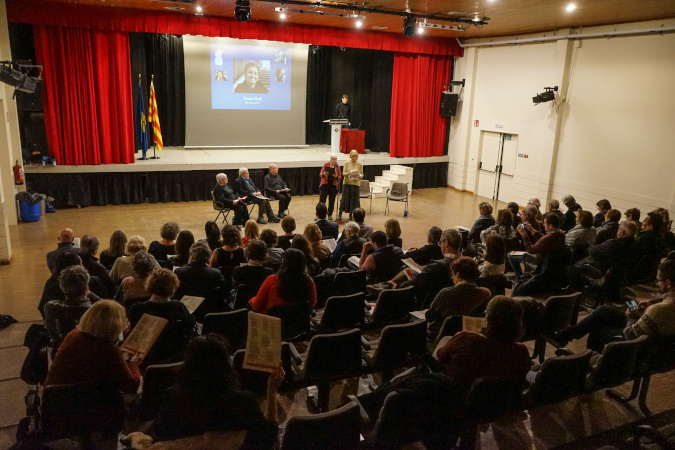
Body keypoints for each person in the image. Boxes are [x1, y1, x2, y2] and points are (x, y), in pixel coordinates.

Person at [356, 298, 530, 449]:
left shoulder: (468, 339)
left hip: (443, 396)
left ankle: (357, 414)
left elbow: (440, 357)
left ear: (489, 318)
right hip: (484, 408)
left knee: (396, 389)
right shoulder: (521, 352)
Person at [152, 334, 282, 446]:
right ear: (226, 365)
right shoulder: (243, 402)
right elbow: (269, 437)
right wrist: (271, 390)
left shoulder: (172, 399)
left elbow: (161, 436)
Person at [552, 260, 675, 352]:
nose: (657, 284)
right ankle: (565, 335)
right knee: (604, 311)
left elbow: (630, 335)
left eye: (659, 280)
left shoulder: (659, 310)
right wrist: (651, 304)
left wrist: (631, 315)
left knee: (598, 329)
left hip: (642, 346)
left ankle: (591, 365)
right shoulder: (662, 305)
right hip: (656, 337)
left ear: (668, 282)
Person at [45, 300, 142, 395]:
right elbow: (131, 387)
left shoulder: (73, 335)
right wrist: (134, 363)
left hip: (55, 400)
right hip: (89, 405)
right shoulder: (109, 349)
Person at [128, 269, 198, 349]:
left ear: (149, 284)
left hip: (145, 353)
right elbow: (190, 324)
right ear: (173, 287)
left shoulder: (136, 308)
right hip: (173, 352)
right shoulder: (179, 307)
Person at [425, 257, 491, 336]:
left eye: (453, 273)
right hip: (469, 335)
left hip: (441, 335)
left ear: (458, 274)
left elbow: (430, 315)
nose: (452, 277)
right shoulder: (485, 293)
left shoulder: (446, 293)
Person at [567, 221, 638, 292]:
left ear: (622, 232)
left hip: (602, 271)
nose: (618, 230)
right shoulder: (635, 245)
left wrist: (591, 247)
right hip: (618, 276)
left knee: (572, 268)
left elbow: (593, 251)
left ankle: (575, 292)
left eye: (619, 229)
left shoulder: (613, 244)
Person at [511, 212, 567, 296]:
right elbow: (544, 239)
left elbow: (530, 249)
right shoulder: (561, 234)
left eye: (545, 223)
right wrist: (532, 231)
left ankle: (518, 277)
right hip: (554, 268)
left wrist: (524, 234)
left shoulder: (548, 238)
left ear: (550, 225)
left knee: (510, 255)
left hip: (542, 266)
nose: (544, 225)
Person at [249, 248, 317, 314]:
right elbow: (312, 304)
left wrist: (253, 300)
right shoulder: (308, 281)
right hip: (298, 324)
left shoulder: (272, 280)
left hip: (273, 323)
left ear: (283, 263)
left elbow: (255, 307)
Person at [38, 253, 102, 318]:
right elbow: (105, 306)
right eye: (81, 265)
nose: (84, 267)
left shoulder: (50, 304)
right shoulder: (90, 283)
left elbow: (41, 307)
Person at [44, 265, 93, 347]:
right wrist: (90, 294)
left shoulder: (51, 307)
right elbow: (106, 305)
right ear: (86, 290)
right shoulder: (92, 311)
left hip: (59, 350)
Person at [319, 156, 342, 220]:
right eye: (333, 160)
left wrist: (337, 176)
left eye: (335, 160)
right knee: (322, 201)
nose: (334, 161)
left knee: (332, 201)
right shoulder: (326, 164)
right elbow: (320, 174)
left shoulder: (337, 166)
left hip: (333, 185)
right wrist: (324, 174)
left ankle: (330, 214)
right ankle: (320, 214)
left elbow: (340, 176)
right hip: (325, 184)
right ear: (330, 159)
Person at [341, 150, 363, 217]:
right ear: (350, 156)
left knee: (353, 200)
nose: (354, 158)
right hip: (347, 183)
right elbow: (343, 173)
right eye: (353, 156)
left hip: (355, 184)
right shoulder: (347, 163)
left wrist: (360, 176)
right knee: (345, 199)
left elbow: (362, 174)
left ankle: (351, 214)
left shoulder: (360, 164)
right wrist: (347, 173)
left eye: (355, 156)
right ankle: (340, 213)